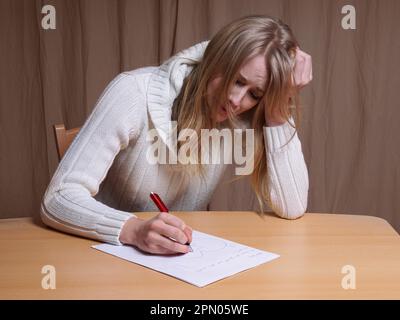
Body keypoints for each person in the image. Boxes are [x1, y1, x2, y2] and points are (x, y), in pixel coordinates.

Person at [41, 15, 311, 255]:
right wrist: (133, 230)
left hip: (175, 261)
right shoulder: (133, 92)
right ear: (215, 57)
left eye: (255, 94)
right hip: (102, 255)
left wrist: (278, 107)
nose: (236, 100)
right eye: (236, 80)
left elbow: (292, 206)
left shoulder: (240, 118)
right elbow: (58, 198)